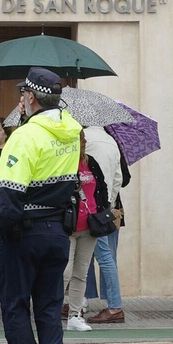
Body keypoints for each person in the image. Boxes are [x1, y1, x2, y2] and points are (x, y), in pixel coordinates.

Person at [0, 68, 82, 344]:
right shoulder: (71, 133)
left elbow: (9, 198)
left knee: (15, 308)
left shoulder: (25, 136)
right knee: (49, 310)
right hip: (56, 233)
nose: (19, 102)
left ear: (31, 98)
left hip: (23, 234)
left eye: (21, 95)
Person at [62, 129, 108, 331]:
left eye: (82, 138)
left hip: (89, 226)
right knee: (65, 272)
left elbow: (103, 188)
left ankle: (75, 315)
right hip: (68, 226)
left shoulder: (91, 163)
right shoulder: (62, 164)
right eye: (79, 138)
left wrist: (103, 211)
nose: (84, 141)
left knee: (81, 273)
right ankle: (52, 312)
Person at [83, 126, 126, 325]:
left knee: (98, 256)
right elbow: (119, 178)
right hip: (105, 207)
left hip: (90, 206)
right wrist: (109, 203)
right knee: (103, 256)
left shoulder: (85, 140)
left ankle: (114, 306)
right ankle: (88, 303)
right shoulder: (111, 140)